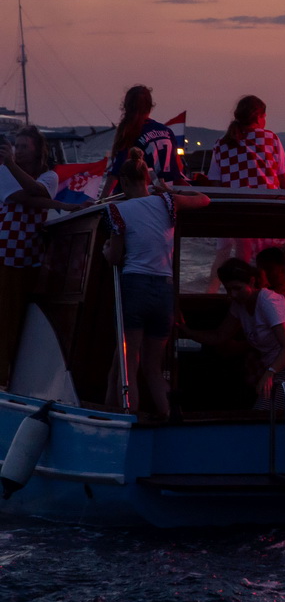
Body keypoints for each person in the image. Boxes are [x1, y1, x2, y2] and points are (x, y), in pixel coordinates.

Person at [103, 148, 210, 417]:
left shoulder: (117, 208)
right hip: (164, 291)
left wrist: (106, 252)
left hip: (135, 286)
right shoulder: (167, 203)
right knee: (153, 367)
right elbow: (204, 200)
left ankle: (129, 420)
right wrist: (168, 191)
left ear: (124, 183)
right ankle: (168, 420)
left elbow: (115, 257)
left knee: (129, 364)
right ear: (146, 180)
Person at [180, 257, 285, 410]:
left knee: (262, 416)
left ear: (252, 282)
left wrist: (269, 374)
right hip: (283, 369)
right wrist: (187, 332)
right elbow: (219, 336)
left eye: (237, 288)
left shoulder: (268, 301)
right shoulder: (239, 306)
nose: (232, 294)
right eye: (228, 289)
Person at [0, 126, 73, 383]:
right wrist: (63, 205)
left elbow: (39, 192)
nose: (17, 151)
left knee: (19, 319)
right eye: (15, 146)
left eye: (23, 147)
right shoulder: (4, 171)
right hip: (6, 254)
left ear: (37, 150)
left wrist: (10, 164)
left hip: (29, 255)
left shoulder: (50, 176)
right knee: (4, 318)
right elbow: (27, 197)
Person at [100, 84, 187, 198]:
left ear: (126, 107)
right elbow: (177, 166)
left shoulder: (130, 133)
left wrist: (102, 200)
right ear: (150, 106)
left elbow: (116, 172)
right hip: (165, 195)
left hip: (138, 196)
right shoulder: (166, 131)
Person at [206, 95, 285, 189]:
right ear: (258, 117)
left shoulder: (221, 143)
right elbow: (283, 176)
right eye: (264, 117)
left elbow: (215, 180)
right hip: (267, 200)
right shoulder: (271, 138)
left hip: (235, 201)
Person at [255, 246, 285, 322]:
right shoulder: (273, 291)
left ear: (282, 269)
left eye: (269, 269)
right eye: (261, 270)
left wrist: (263, 288)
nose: (263, 274)